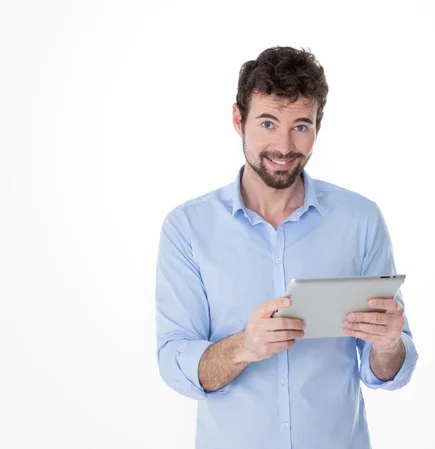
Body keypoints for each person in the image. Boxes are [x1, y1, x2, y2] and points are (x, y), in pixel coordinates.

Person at [155, 45, 419, 449]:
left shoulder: (360, 220)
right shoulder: (187, 228)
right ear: (237, 119)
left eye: (300, 125)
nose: (284, 145)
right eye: (267, 123)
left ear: (318, 125)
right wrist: (243, 346)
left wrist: (388, 343)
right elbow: (175, 362)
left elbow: (383, 369)